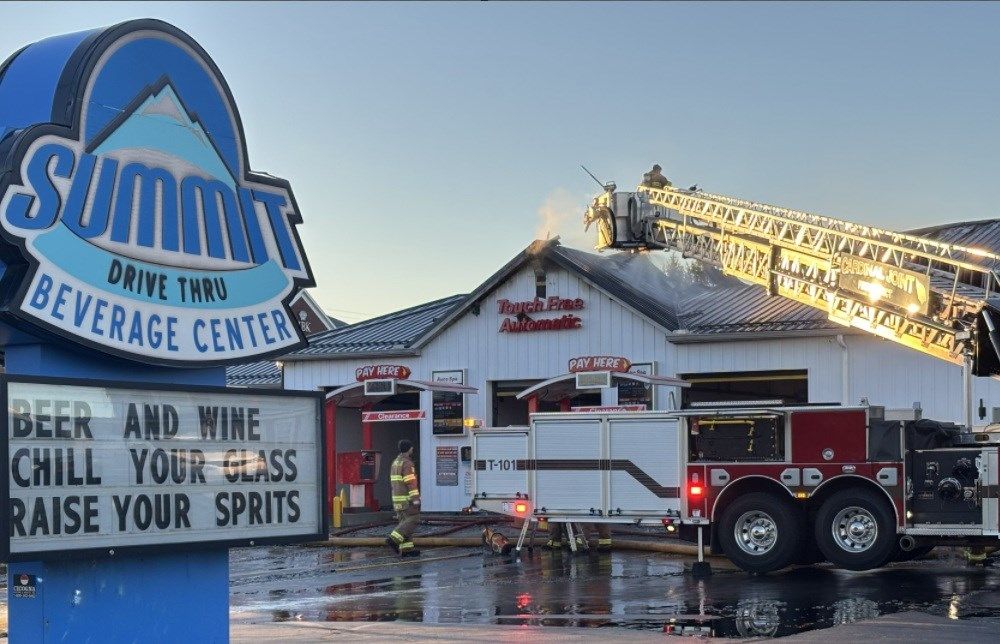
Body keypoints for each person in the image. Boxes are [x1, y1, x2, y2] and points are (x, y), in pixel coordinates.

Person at [386, 439, 421, 557]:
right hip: (407, 500)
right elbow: (410, 482)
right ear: (409, 449)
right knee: (414, 519)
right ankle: (393, 540)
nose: (413, 449)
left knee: (404, 522)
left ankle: (406, 549)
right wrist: (415, 498)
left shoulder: (396, 462)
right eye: (412, 448)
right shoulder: (407, 463)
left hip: (397, 500)